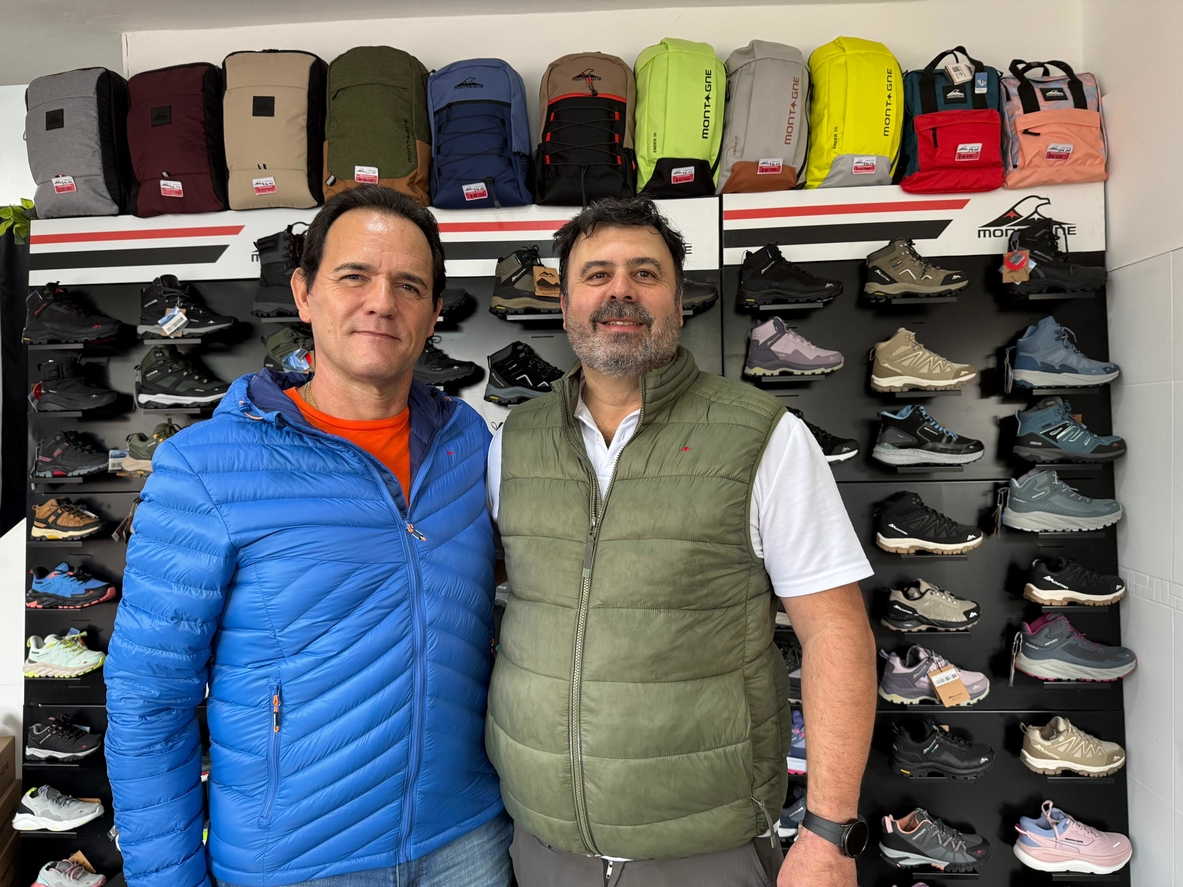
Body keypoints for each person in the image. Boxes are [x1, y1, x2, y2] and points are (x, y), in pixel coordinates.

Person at [104, 186, 510, 887]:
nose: (381, 302)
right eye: (354, 275)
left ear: (434, 310)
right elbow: (149, 699)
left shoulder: (464, 440)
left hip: (467, 841)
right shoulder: (206, 466)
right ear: (304, 293)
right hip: (295, 861)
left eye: (409, 285)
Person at [485, 196, 877, 887]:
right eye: (596, 274)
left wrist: (828, 834)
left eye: (645, 273)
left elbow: (835, 633)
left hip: (704, 850)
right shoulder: (512, 441)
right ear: (565, 302)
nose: (620, 291)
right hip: (541, 844)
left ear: (678, 299)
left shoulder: (763, 434)